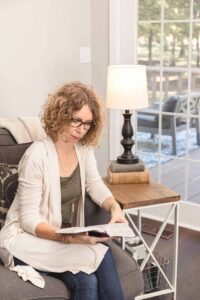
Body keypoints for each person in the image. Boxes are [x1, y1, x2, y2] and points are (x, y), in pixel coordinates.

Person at [0, 81, 127, 300]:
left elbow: (94, 184)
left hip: (57, 235)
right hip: (24, 239)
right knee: (99, 258)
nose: (81, 129)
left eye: (88, 123)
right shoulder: (37, 156)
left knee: (90, 274)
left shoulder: (83, 149)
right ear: (61, 115)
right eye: (76, 120)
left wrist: (115, 208)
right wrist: (68, 239)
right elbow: (29, 220)